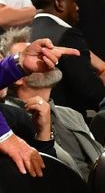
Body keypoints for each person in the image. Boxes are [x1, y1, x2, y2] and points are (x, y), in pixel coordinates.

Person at [0, 36, 79, 178]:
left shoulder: (16, 116)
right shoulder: (16, 117)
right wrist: (4, 135)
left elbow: (48, 178)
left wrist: (20, 62)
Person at [29, 0, 105, 117]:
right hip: (64, 121)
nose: (77, 7)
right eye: (73, 1)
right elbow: (87, 90)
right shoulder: (68, 35)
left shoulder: (23, 32)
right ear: (59, 3)